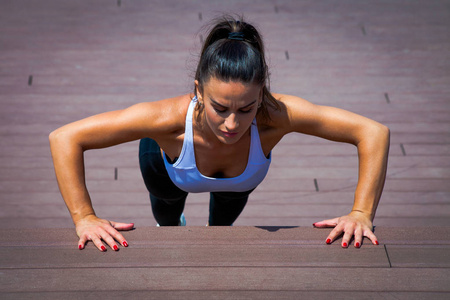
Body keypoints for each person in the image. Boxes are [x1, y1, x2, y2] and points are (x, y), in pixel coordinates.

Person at [49, 16, 390, 252]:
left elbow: (373, 132)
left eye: (246, 109)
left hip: (237, 183)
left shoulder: (277, 116)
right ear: (198, 90)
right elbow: (65, 138)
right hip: (169, 166)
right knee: (167, 219)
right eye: (219, 108)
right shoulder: (164, 119)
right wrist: (85, 218)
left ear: (261, 95)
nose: (231, 124)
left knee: (221, 229)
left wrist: (361, 213)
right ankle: (172, 221)